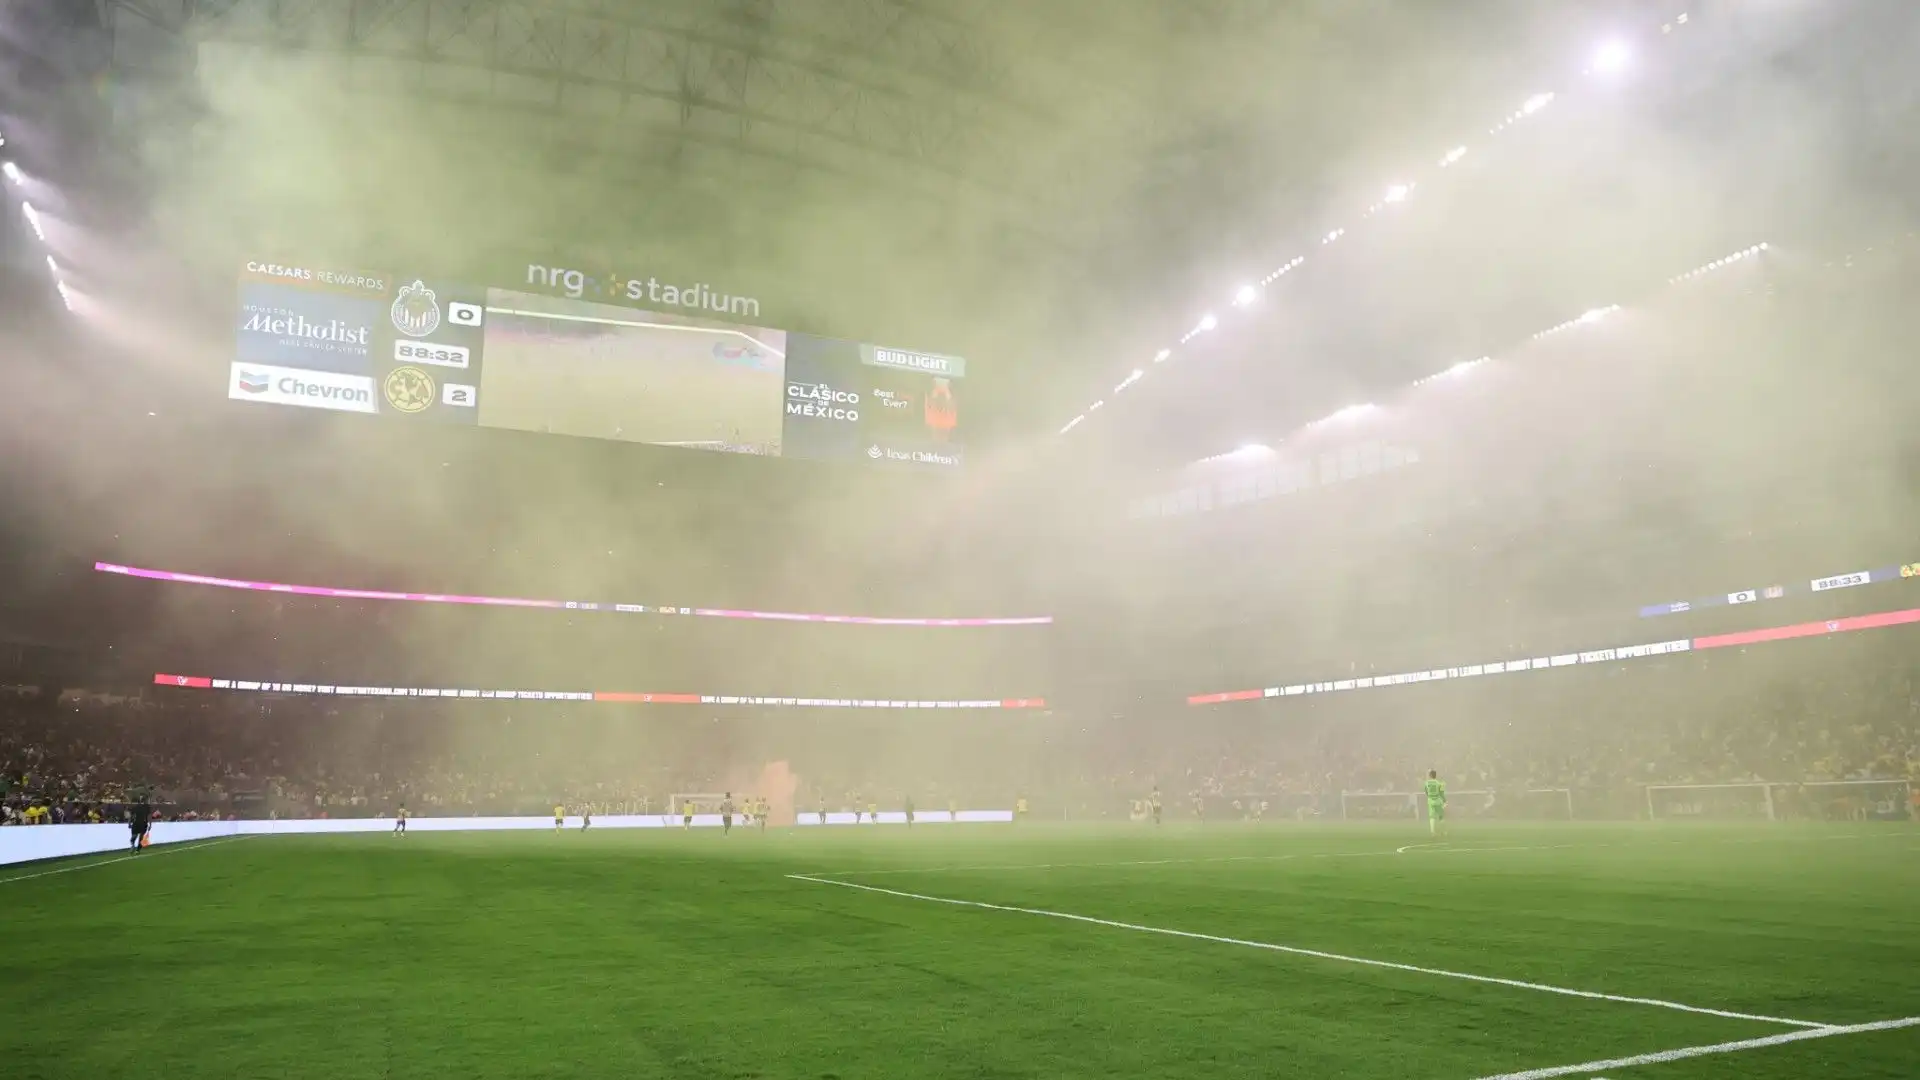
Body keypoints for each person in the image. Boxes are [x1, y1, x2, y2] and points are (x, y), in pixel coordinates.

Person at [1423, 770, 1447, 837]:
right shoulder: (1439, 783)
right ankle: (1443, 832)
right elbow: (1441, 793)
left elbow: (1426, 791)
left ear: (1430, 775)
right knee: (1441, 816)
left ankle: (1433, 832)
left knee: (1432, 816)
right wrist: (1445, 801)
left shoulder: (1426, 783)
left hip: (1430, 801)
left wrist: (1430, 797)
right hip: (1438, 801)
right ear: (1435, 775)